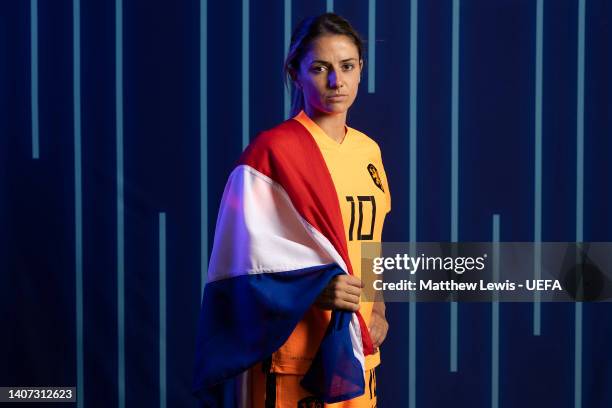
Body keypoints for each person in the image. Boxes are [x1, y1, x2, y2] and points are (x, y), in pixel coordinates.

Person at [193, 13, 391, 408]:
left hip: (356, 351)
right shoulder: (271, 154)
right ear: (295, 72)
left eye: (347, 67)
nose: (336, 82)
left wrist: (379, 307)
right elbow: (239, 268)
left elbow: (369, 242)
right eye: (320, 68)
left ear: (360, 70)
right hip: (289, 360)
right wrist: (315, 289)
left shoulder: (369, 152)